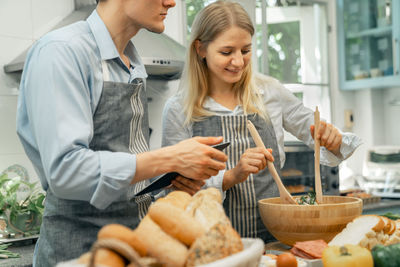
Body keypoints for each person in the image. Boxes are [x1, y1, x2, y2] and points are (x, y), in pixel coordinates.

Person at [16, 0, 228, 265]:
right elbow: (65, 171)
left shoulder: (132, 61)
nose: (171, 2)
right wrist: (170, 158)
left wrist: (167, 178)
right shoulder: (62, 51)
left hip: (135, 247)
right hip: (79, 253)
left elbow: (123, 161)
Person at [162, 0, 362, 242]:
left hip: (276, 238)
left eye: (245, 51)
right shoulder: (179, 108)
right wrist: (231, 176)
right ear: (200, 49)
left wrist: (332, 138)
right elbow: (175, 187)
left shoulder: (270, 93)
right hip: (211, 244)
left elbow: (317, 133)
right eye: (227, 52)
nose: (238, 62)